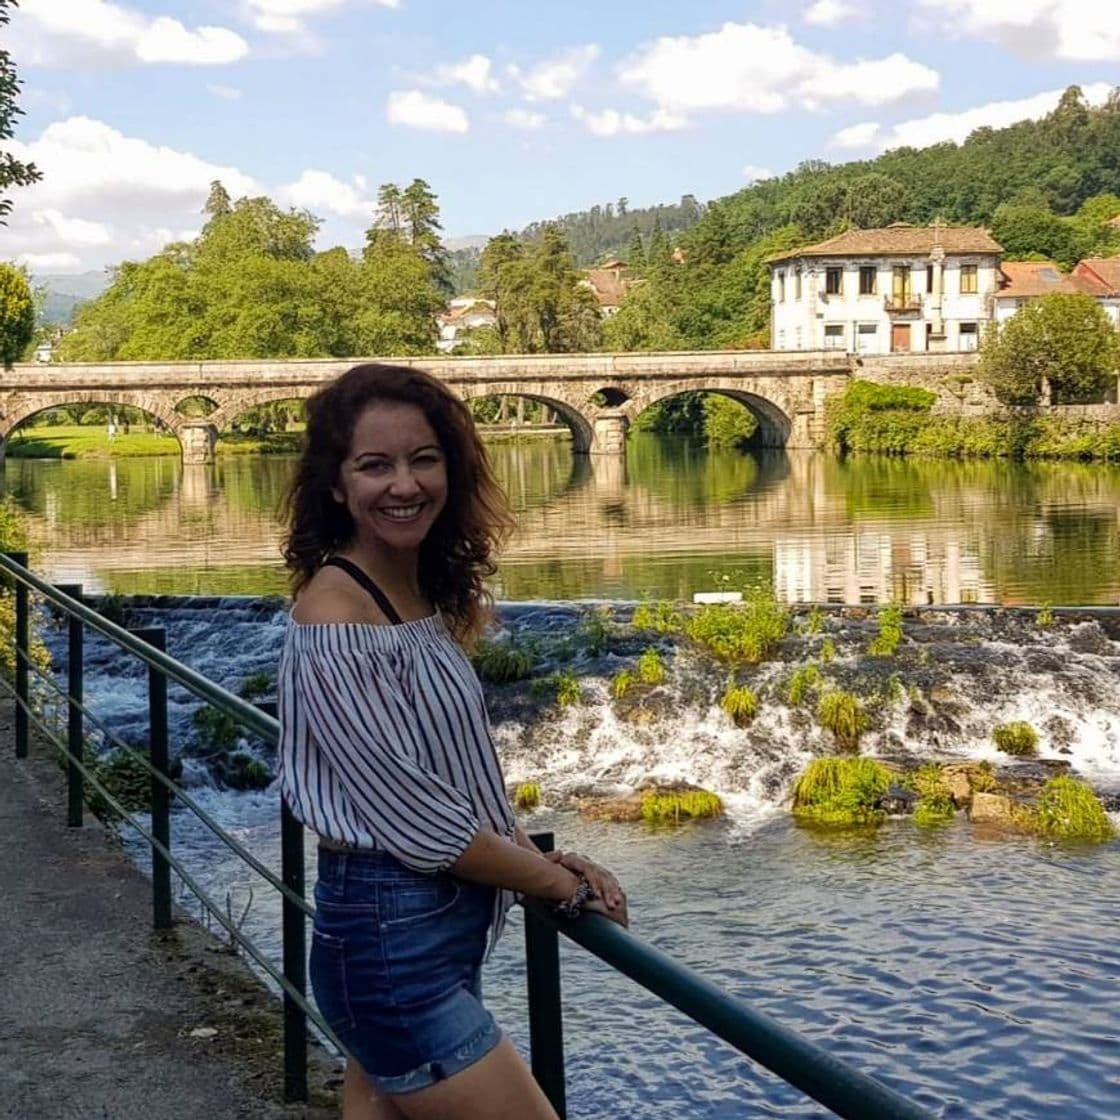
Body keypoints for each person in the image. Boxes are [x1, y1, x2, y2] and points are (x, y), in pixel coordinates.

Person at [277, 363, 628, 1120]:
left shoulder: (406, 588)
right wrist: (559, 889)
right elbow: (419, 822)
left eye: (423, 459)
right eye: (375, 465)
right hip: (392, 948)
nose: (404, 484)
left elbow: (448, 778)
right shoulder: (337, 613)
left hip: (421, 938)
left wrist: (540, 856)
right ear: (335, 485)